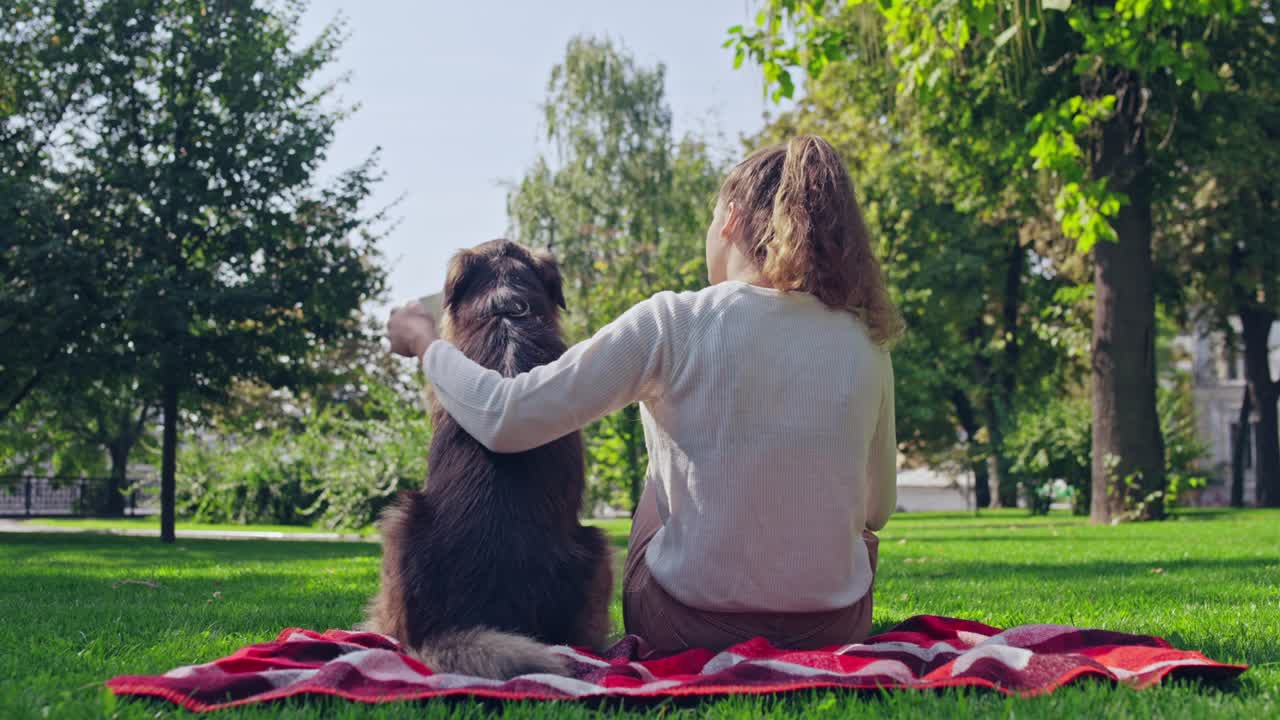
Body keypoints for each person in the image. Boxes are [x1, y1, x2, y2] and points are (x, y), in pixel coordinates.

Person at [386, 135, 902, 656]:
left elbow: (505, 418)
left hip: (686, 629)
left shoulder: (675, 320)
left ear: (730, 219)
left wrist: (426, 344)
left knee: (663, 474)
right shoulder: (866, 342)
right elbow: (876, 511)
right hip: (835, 628)